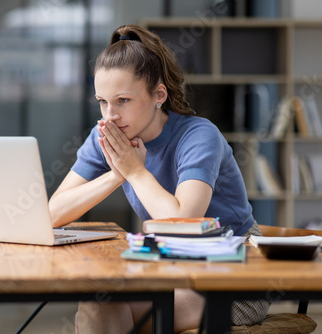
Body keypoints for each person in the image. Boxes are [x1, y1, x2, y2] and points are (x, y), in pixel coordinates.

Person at [48, 24, 270, 333]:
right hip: (170, 265)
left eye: (123, 100)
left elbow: (184, 224)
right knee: (100, 304)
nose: (109, 114)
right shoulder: (109, 134)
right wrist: (116, 174)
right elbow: (52, 213)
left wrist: (135, 172)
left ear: (159, 95)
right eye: (102, 101)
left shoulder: (199, 135)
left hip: (235, 273)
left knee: (132, 315)